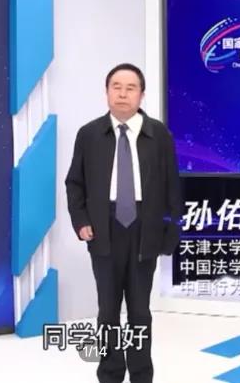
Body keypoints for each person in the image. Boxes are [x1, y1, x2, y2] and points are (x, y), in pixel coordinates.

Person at [65, 63, 184, 383]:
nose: (122, 94)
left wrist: (171, 231)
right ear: (106, 92)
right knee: (107, 310)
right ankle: (110, 374)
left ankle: (141, 375)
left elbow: (173, 186)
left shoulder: (159, 134)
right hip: (103, 229)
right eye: (116, 87)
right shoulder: (89, 134)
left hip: (145, 229)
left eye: (130, 88)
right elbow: (75, 183)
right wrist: (81, 220)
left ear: (141, 94)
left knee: (140, 311)